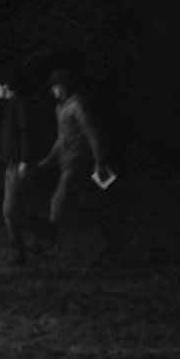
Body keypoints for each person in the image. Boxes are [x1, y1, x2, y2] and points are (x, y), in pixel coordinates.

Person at [35, 69, 124, 258]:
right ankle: (113, 239)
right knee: (91, 201)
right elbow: (62, 138)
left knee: (58, 199)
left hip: (79, 162)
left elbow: (92, 133)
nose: (53, 91)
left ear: (64, 85)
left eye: (55, 87)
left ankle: (49, 240)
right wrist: (50, 158)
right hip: (67, 163)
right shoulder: (60, 108)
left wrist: (100, 161)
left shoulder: (77, 105)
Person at [0, 68, 49, 265]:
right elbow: (15, 137)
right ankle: (27, 248)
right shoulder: (14, 104)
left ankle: (46, 233)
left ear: (5, 85)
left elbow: (26, 132)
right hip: (13, 163)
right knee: (15, 210)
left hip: (19, 166)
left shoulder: (20, 103)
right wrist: (1, 156)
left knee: (11, 212)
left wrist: (24, 161)